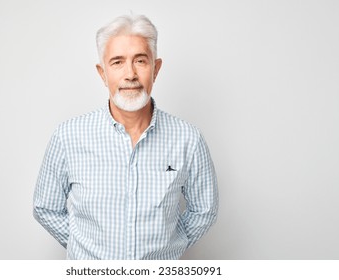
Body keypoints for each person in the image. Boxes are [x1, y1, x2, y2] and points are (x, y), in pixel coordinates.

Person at [33, 14, 218, 260]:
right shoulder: (68, 136)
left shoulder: (188, 139)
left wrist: (169, 247)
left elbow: (204, 210)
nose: (130, 74)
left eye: (140, 61)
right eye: (117, 62)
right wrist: (87, 251)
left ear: (156, 68)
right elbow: (45, 206)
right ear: (102, 73)